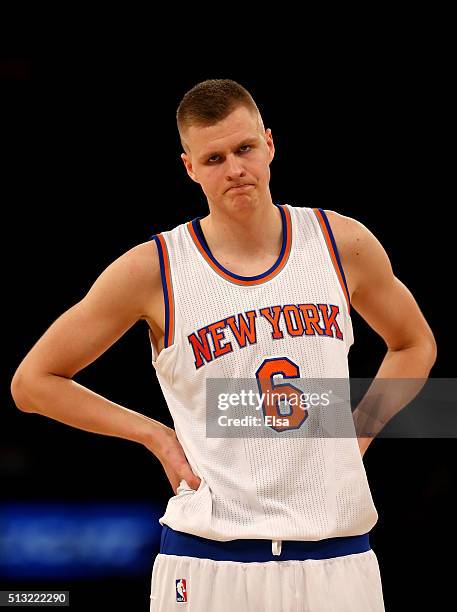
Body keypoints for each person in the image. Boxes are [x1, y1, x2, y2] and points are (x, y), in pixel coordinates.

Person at [11, 79, 437, 611]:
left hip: (339, 556)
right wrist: (157, 437)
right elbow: (33, 383)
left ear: (269, 144)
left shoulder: (340, 242)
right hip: (208, 559)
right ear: (189, 167)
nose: (234, 168)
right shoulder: (153, 269)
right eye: (214, 158)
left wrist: (363, 426)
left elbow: (414, 343)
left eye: (244, 149)